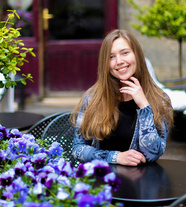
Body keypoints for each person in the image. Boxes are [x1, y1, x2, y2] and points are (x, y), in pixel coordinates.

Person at [71, 30, 173, 166]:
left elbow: (152, 154)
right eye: (111, 57)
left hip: (142, 181)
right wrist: (115, 157)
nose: (119, 61)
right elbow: (77, 149)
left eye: (125, 53)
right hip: (103, 181)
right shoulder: (93, 98)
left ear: (137, 55)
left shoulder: (160, 99)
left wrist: (144, 106)